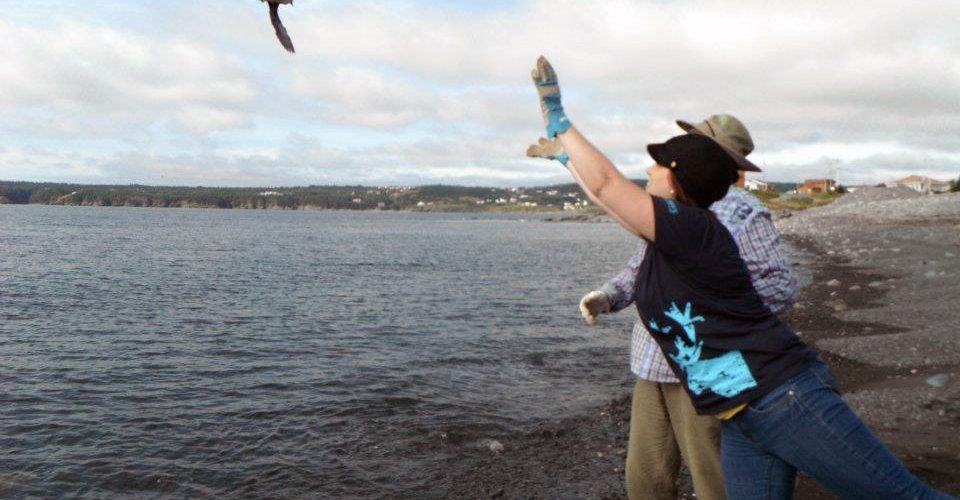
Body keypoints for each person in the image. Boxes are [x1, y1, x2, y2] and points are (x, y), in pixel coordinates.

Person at [529, 56, 956, 500]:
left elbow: (607, 186)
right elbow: (611, 201)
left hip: (784, 396)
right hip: (741, 414)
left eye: (659, 165)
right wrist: (568, 160)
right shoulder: (675, 230)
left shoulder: (694, 227)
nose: (649, 171)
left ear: (676, 180)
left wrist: (560, 116)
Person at [531, 114, 796, 500]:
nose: (678, 148)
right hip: (653, 362)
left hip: (708, 366)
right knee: (646, 478)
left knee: (714, 478)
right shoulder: (666, 204)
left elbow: (780, 285)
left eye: (689, 140)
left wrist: (712, 310)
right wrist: (608, 296)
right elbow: (640, 267)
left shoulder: (742, 212)